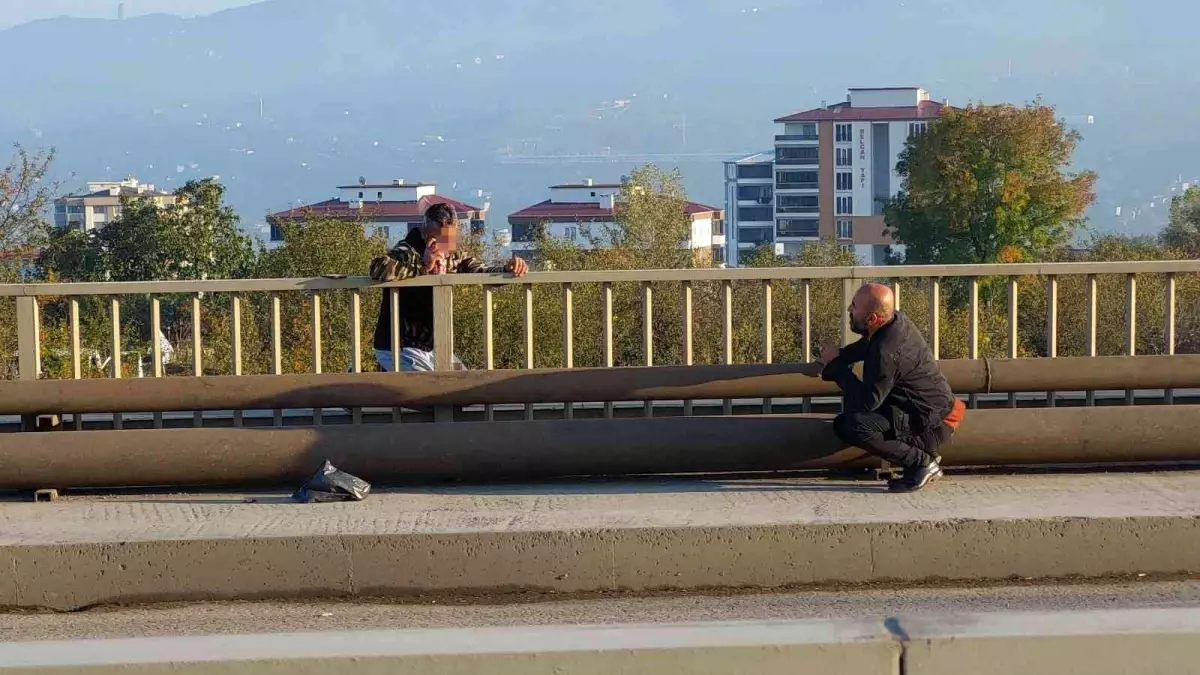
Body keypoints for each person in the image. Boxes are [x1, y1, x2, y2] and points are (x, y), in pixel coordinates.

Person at [814, 282, 965, 492]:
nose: (849, 309)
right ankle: (857, 464)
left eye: (854, 306)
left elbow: (867, 402)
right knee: (855, 406)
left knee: (852, 425)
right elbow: (867, 344)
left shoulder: (886, 354)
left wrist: (837, 368)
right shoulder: (895, 321)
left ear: (872, 319)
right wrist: (841, 356)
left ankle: (921, 462)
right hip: (923, 408)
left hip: (930, 421)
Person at [368, 202, 528, 372]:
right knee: (433, 391)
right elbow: (377, 268)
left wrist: (508, 269)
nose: (447, 246)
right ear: (426, 231)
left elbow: (481, 271)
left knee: (464, 386)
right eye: (441, 238)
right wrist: (423, 267)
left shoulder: (452, 255)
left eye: (451, 239)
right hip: (399, 346)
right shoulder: (408, 250)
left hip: (432, 346)